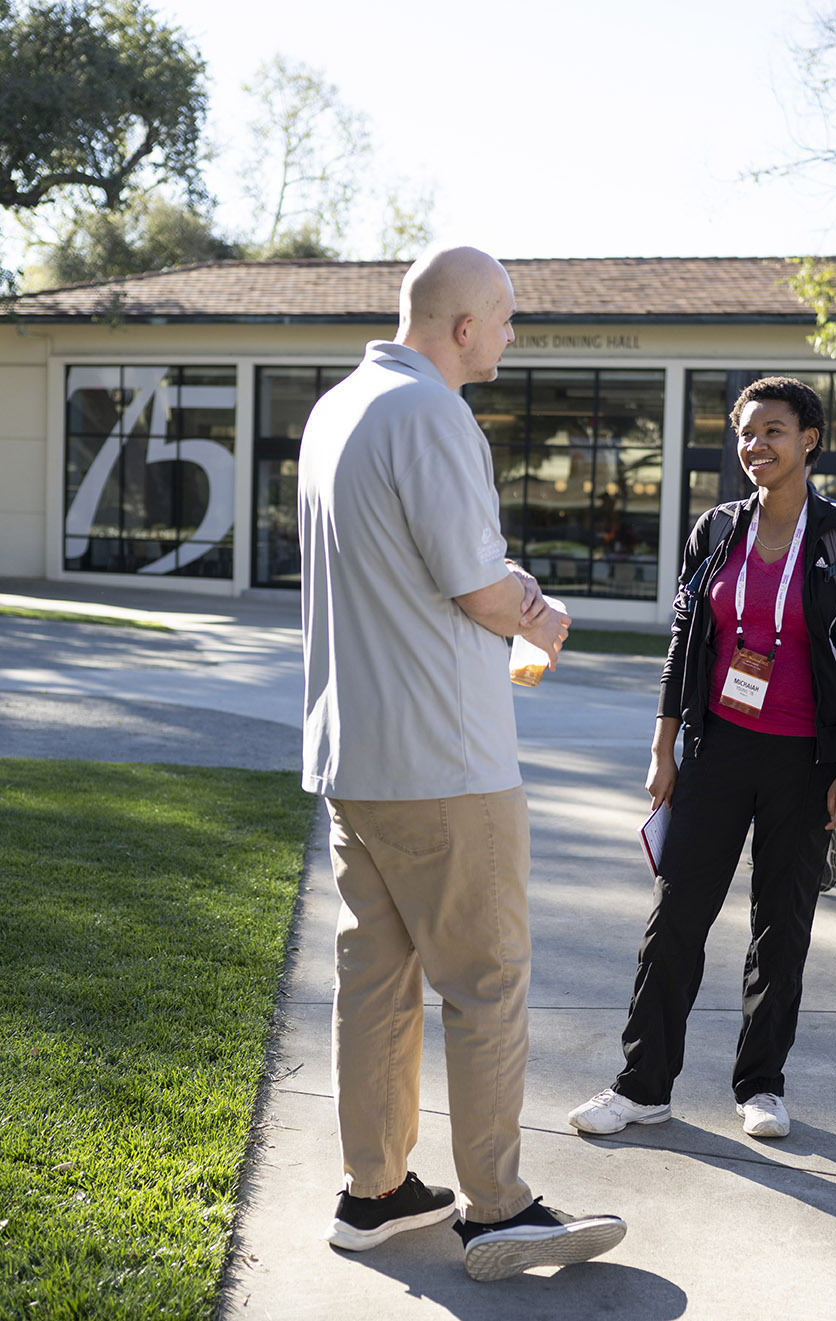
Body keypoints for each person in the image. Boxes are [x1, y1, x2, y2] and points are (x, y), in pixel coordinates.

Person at [298, 244, 626, 1282]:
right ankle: (498, 1208)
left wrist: (501, 583)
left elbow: (425, 567)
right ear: (462, 327)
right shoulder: (431, 413)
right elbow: (477, 588)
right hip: (448, 759)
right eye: (507, 317)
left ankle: (374, 1190)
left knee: (376, 984)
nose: (514, 335)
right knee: (486, 984)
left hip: (357, 753)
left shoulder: (334, 409)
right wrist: (546, 613)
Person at [567, 376, 836, 1141]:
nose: (756, 446)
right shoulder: (714, 529)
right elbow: (683, 642)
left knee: (781, 925)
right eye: (746, 433)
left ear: (808, 439)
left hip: (804, 760)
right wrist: (663, 745)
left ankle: (762, 1085)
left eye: (772, 431)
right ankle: (642, 1084)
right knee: (675, 916)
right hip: (715, 748)